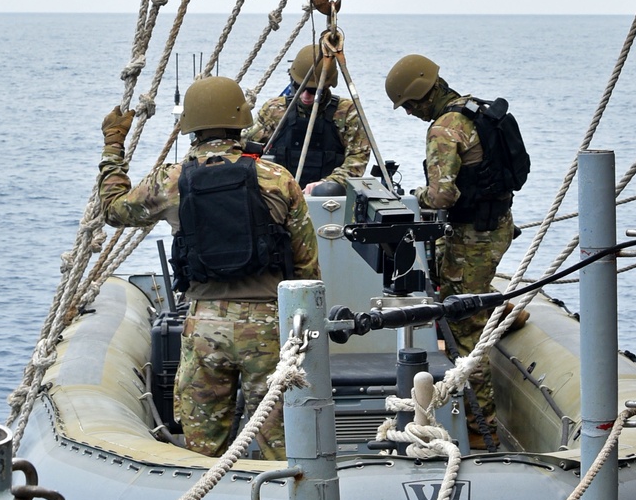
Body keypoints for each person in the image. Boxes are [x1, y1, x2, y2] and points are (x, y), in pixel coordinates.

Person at [96, 76, 319, 461]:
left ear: (191, 126)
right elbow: (306, 265)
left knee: (202, 452)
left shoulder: (172, 180)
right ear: (241, 121)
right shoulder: (278, 179)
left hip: (204, 329)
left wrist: (113, 147)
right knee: (281, 449)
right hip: (267, 330)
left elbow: (113, 209)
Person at [385, 53, 517, 448]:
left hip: (472, 235)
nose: (409, 113)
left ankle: (483, 424)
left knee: (461, 324)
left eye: (409, 105)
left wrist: (414, 197)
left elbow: (443, 195)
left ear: (423, 96)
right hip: (497, 224)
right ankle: (498, 305)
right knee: (456, 290)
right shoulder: (476, 109)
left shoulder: (445, 128)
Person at [254, 44, 370, 193]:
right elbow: (247, 148)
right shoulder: (274, 110)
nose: (305, 96)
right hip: (280, 194)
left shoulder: (346, 113)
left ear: (327, 86)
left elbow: (358, 158)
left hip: (328, 199)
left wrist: (329, 184)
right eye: (299, 88)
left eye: (313, 91)